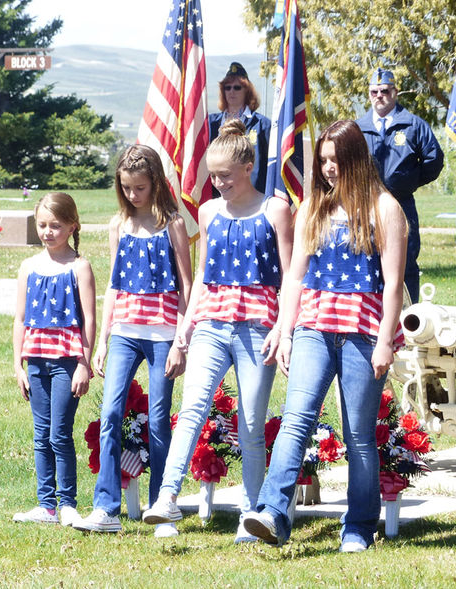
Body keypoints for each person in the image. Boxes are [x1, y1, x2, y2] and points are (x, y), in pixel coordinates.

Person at [243, 120, 407, 552]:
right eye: (324, 161)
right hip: (314, 326)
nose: (329, 168)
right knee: (296, 419)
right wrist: (285, 329)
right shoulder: (314, 205)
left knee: (358, 435)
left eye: (337, 160)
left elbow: (393, 283)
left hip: (363, 333)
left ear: (356, 159)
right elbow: (294, 276)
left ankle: (359, 525)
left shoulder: (384, 208)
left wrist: (387, 340)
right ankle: (273, 514)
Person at [141, 119, 293, 543]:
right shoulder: (208, 212)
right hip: (210, 322)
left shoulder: (275, 209)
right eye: (213, 176)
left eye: (225, 175)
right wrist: (183, 333)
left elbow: (289, 275)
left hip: (257, 327)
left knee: (250, 424)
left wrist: (284, 328)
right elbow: (205, 276)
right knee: (191, 409)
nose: (218, 183)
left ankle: (251, 511)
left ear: (249, 167)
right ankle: (167, 496)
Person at [73, 145, 192, 537]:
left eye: (140, 187)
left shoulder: (172, 224)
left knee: (159, 419)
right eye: (126, 188)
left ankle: (161, 506)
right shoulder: (117, 225)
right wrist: (103, 341)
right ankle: (106, 506)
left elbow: (186, 286)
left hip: (162, 336)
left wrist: (181, 340)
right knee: (110, 413)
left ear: (155, 183)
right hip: (124, 331)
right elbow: (114, 282)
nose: (133, 195)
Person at [12, 192, 96, 526]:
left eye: (56, 226)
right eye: (43, 225)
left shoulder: (79, 267)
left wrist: (83, 363)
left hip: (66, 363)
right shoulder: (28, 267)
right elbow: (20, 319)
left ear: (72, 225)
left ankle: (68, 503)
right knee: (40, 433)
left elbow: (89, 319)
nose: (48, 232)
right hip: (36, 362)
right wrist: (17, 365)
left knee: (60, 433)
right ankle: (46, 504)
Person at [356, 68, 444, 304]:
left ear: (395, 93)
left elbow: (434, 160)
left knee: (405, 262)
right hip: (367, 206)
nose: (379, 96)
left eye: (384, 91)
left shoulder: (413, 125)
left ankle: (408, 319)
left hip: (402, 204)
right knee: (367, 260)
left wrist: (410, 181)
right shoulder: (358, 127)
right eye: (374, 92)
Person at [209, 62, 271, 194]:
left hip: (253, 196)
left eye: (237, 87)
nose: (232, 91)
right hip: (217, 195)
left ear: (247, 90)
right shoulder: (210, 124)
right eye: (227, 87)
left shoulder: (262, 124)